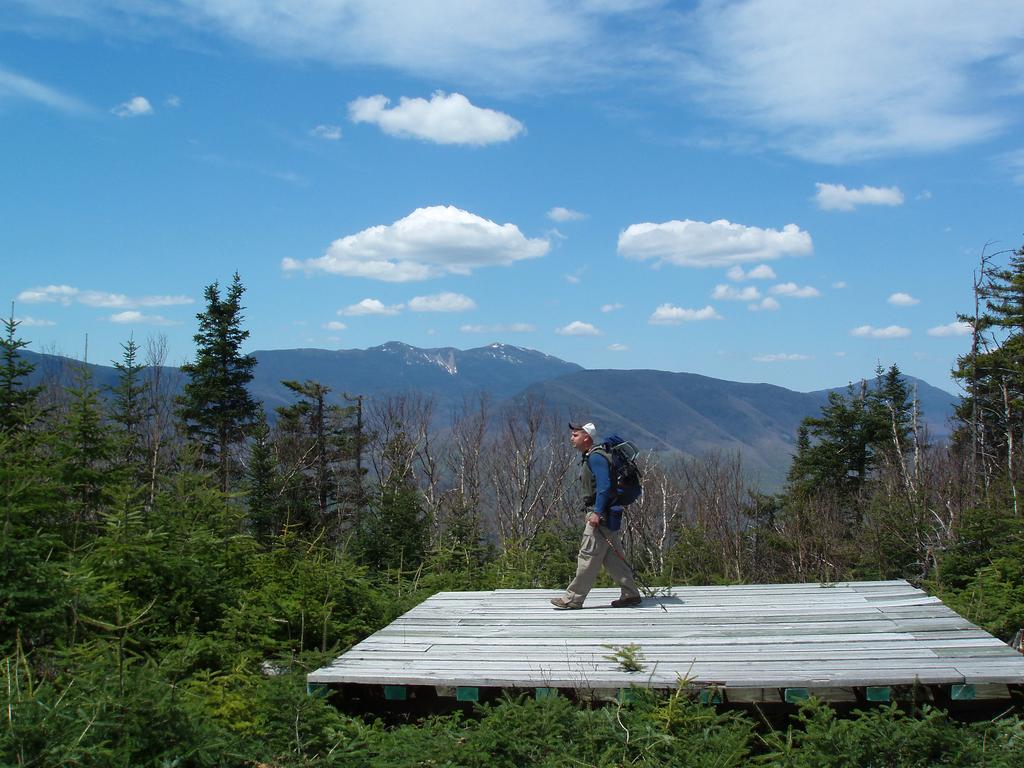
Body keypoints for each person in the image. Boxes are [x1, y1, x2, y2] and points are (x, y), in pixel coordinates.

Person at [551, 422, 643, 610]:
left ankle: (573, 599)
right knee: (614, 558)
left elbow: (604, 486)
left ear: (587, 437)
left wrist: (597, 513)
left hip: (601, 515)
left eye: (575, 435)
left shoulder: (595, 458)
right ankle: (631, 594)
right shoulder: (595, 456)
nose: (571, 438)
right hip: (609, 514)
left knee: (587, 557)